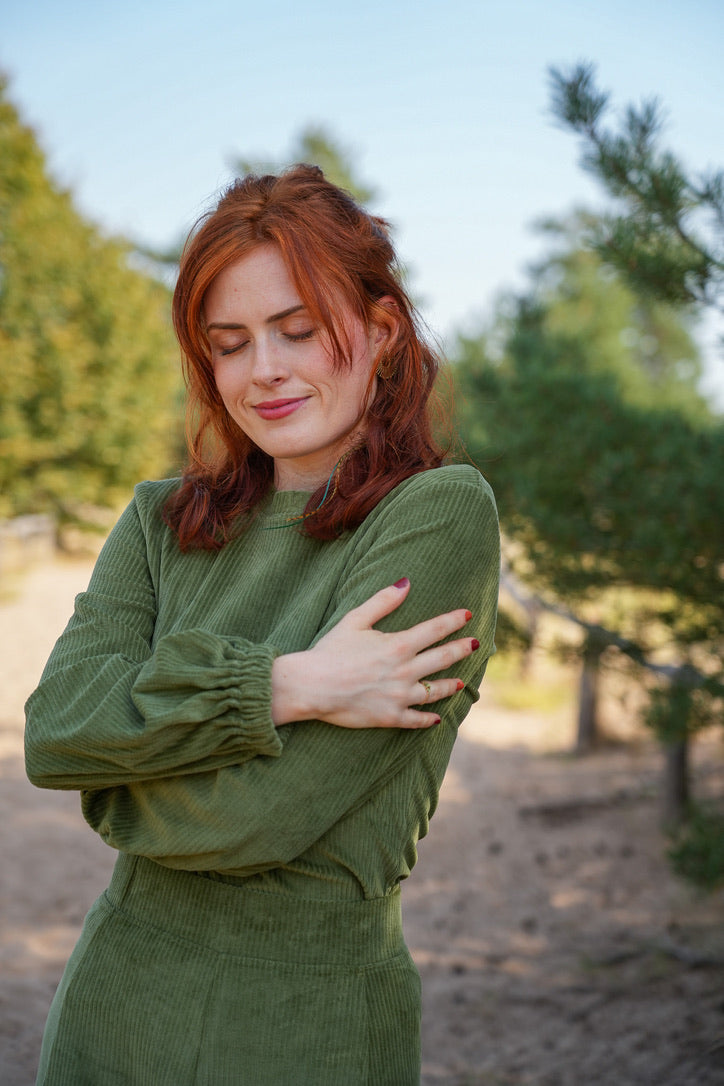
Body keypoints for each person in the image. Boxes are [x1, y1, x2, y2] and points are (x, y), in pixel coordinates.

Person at [25, 164, 500, 1085]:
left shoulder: (439, 514)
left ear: (381, 332)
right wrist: (284, 687)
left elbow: (253, 823)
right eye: (230, 343)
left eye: (298, 330)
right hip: (111, 1009)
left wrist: (120, 785)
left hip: (300, 1024)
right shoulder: (159, 521)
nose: (265, 370)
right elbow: (54, 732)